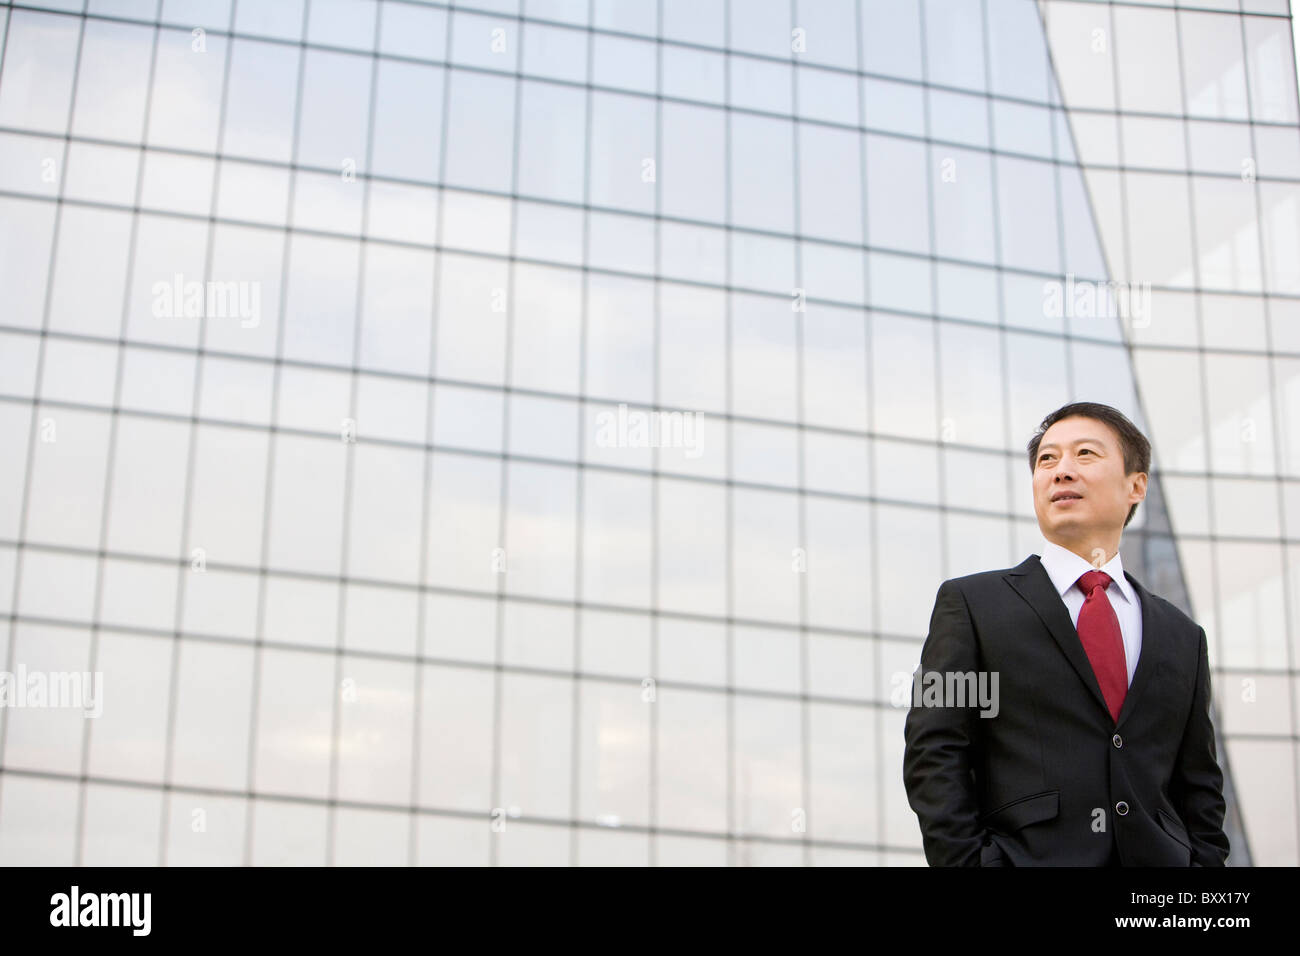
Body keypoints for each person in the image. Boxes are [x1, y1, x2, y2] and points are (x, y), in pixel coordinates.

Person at [902, 401, 1229, 866]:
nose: (1060, 471)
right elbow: (933, 751)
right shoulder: (970, 605)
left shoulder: (1183, 636)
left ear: (1136, 485)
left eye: (1085, 455)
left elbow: (1199, 785)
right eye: (1047, 459)